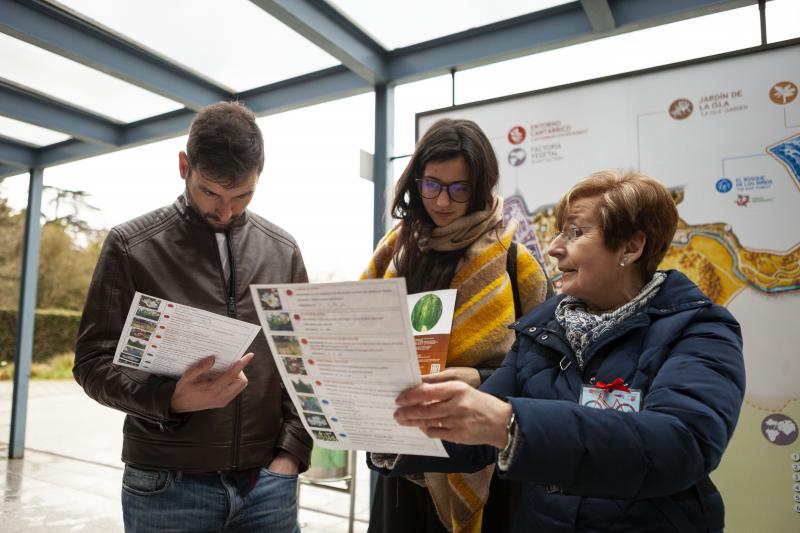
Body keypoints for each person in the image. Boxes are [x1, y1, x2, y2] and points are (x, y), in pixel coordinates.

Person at [372, 170, 746, 532]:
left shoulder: (700, 330)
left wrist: (511, 423)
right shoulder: (542, 329)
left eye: (576, 232)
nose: (553, 247)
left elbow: (680, 444)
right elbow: (475, 430)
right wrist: (384, 432)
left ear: (631, 246)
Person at [73, 101, 311, 532]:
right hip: (167, 484)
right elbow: (92, 363)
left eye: (243, 196)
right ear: (185, 166)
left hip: (268, 485)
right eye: (211, 193)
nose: (226, 212)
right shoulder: (130, 246)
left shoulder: (284, 250)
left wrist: (291, 454)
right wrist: (169, 400)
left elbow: (304, 363)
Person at [362, 118, 549, 532]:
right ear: (415, 181)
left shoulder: (515, 263)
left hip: (484, 465)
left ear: (481, 188)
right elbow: (359, 338)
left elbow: (546, 374)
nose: (442, 202)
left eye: (459, 189)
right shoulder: (395, 254)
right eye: (432, 184)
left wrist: (479, 377)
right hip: (402, 468)